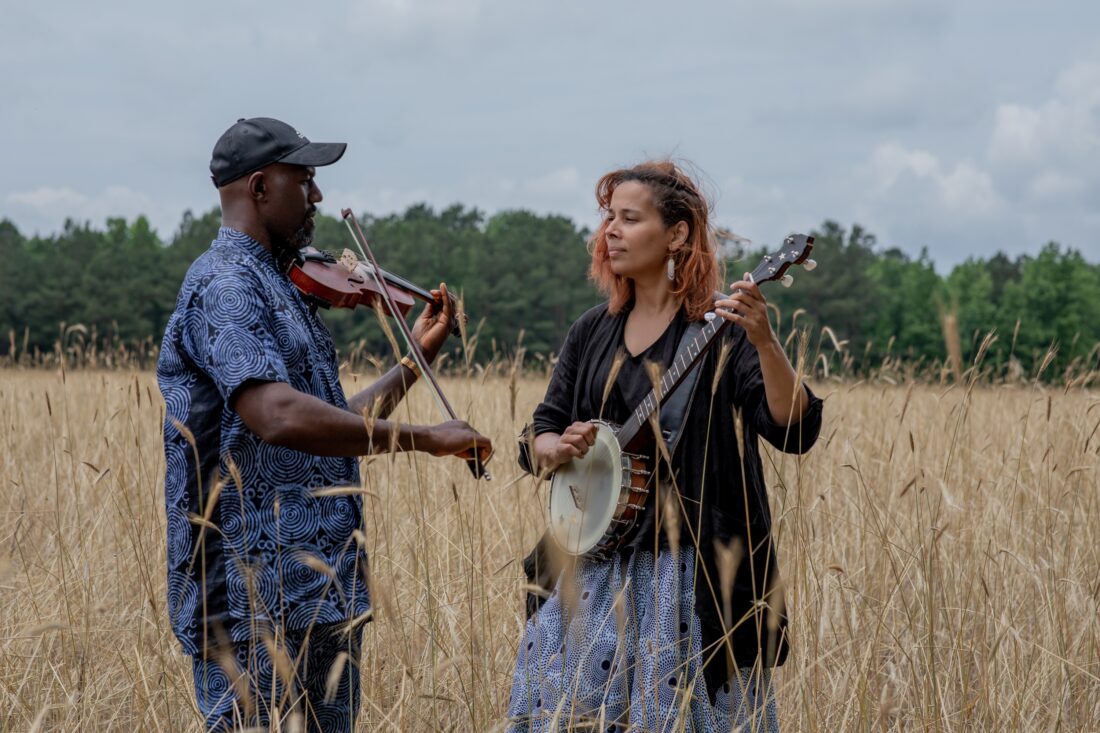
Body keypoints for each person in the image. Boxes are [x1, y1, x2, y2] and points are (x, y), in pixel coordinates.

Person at [157, 117, 492, 732]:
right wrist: (425, 441)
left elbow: (331, 425)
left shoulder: (280, 286)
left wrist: (412, 365)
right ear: (259, 188)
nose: (315, 198)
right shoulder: (225, 284)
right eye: (304, 181)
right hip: (250, 596)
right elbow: (276, 416)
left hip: (317, 588)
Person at [507, 161, 823, 732]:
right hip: (594, 574)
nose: (611, 231)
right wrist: (556, 447)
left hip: (692, 580)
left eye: (630, 218)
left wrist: (765, 341)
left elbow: (793, 429)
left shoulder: (723, 331)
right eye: (609, 218)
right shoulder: (592, 329)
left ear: (677, 234)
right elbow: (538, 434)